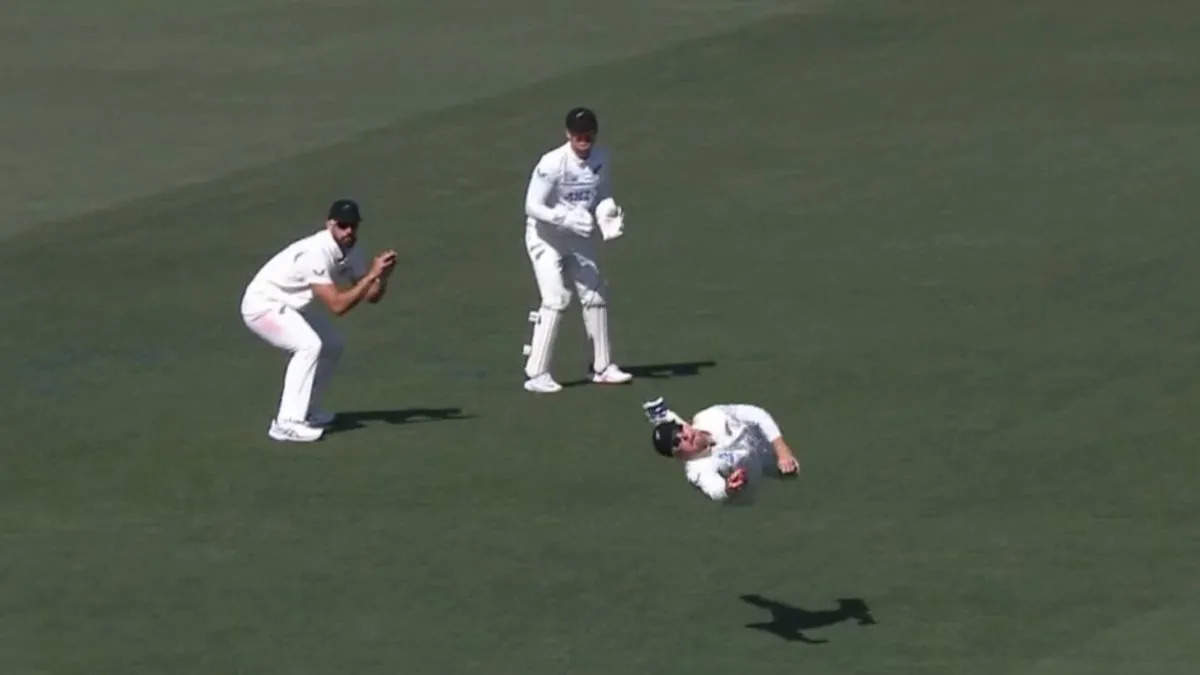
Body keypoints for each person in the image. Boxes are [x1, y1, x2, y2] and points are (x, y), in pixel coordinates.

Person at [240, 199, 397, 442]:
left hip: (288, 305)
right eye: (343, 225)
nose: (349, 232)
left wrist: (381, 279)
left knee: (333, 343)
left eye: (353, 226)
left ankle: (307, 411)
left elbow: (370, 297)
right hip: (261, 305)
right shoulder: (315, 253)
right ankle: (286, 423)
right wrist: (372, 275)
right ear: (330, 225)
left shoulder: (353, 251)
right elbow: (337, 306)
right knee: (309, 345)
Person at [521, 106, 633, 393]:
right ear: (568, 134)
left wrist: (607, 215)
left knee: (595, 293)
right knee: (556, 299)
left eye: (589, 135)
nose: (584, 141)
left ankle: (602, 367)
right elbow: (532, 206)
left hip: (579, 237)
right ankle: (537, 374)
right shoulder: (551, 163)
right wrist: (565, 218)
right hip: (546, 238)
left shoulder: (601, 158)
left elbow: (602, 193)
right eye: (578, 135)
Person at [644, 397, 800, 502]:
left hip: (763, 445)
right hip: (753, 473)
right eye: (676, 442)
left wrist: (781, 449)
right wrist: (728, 488)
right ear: (679, 456)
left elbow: (758, 415)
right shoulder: (697, 470)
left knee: (792, 471)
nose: (683, 436)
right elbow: (714, 489)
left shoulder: (712, 415)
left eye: (680, 429)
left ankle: (662, 415)